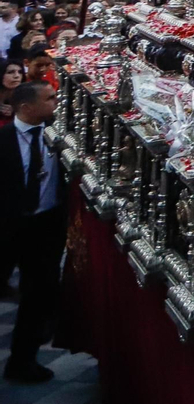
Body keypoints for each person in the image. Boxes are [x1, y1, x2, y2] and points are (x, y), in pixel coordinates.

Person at [2, 82, 65, 383]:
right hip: (8, 226)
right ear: (26, 107)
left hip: (46, 227)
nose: (56, 102)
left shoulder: (61, 135)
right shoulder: (2, 140)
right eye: (50, 98)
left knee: (37, 295)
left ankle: (22, 360)